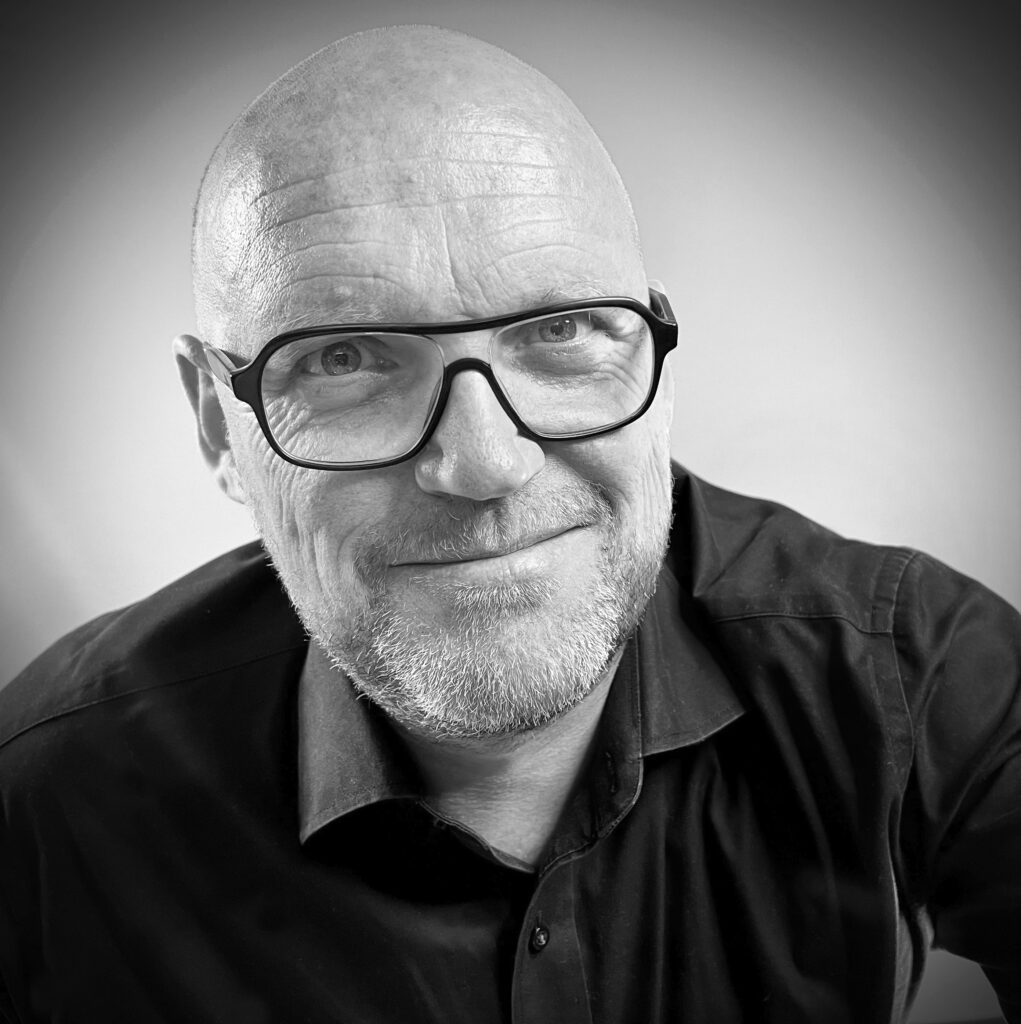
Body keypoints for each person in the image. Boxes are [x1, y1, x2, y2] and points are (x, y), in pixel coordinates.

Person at [0, 24, 1018, 1024]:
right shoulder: (44, 799)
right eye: (345, 358)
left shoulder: (916, 677)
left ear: (655, 365)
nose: (484, 463)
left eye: (561, 329)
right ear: (217, 425)